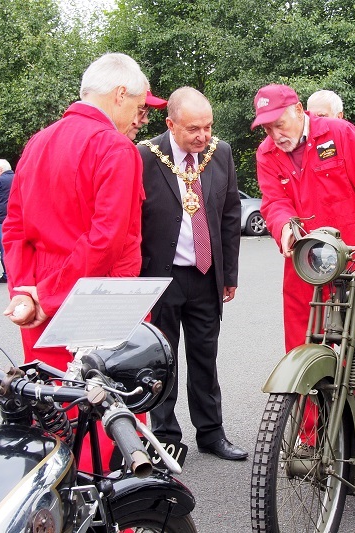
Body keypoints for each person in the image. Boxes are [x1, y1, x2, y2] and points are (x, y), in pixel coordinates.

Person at [2, 52, 150, 371]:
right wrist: (47, 295)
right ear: (120, 94)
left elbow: (14, 229)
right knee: (107, 409)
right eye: (139, 107)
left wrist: (25, 293)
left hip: (40, 294)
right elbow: (107, 240)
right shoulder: (115, 148)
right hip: (100, 297)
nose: (139, 119)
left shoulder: (36, 144)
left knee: (50, 405)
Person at [251, 83, 355, 353]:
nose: (275, 135)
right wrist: (284, 228)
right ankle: (304, 396)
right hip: (305, 257)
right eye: (267, 129)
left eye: (279, 124)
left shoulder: (339, 133)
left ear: (298, 110)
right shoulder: (266, 153)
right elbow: (274, 201)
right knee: (302, 338)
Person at [137, 87, 245, 461]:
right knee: (160, 362)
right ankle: (166, 437)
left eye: (208, 127)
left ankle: (212, 434)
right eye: (194, 129)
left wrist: (228, 273)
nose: (203, 136)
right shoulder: (144, 157)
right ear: (170, 124)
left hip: (205, 275)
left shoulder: (221, 153)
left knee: (205, 358)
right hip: (160, 278)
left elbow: (230, 216)